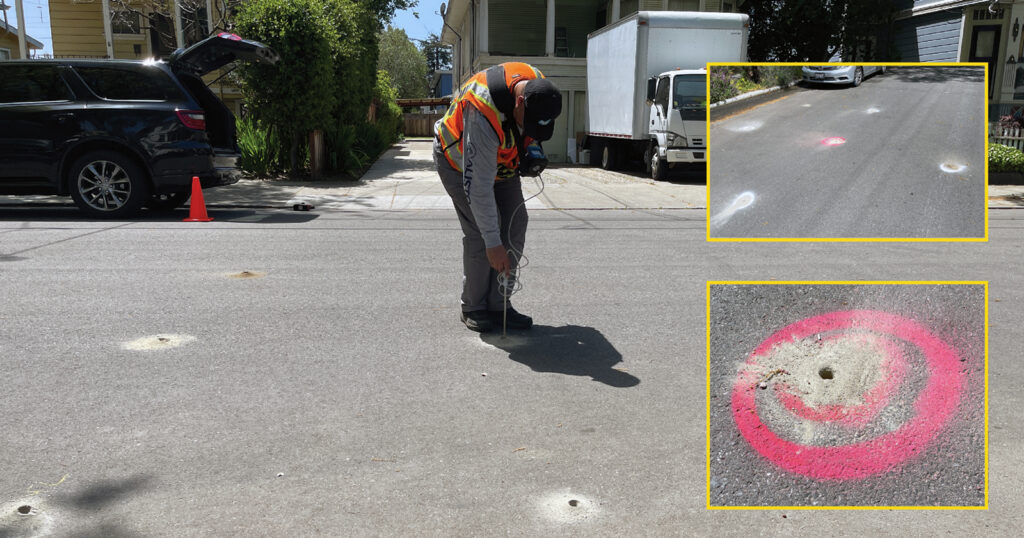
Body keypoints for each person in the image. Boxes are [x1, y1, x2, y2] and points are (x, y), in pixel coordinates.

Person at [433, 62, 562, 333]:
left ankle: (499, 304)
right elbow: (478, 187)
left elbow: (529, 129)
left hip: (501, 165)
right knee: (483, 234)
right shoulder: (482, 109)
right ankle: (473, 307)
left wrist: (529, 145)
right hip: (458, 163)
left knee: (515, 224)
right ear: (518, 102)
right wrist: (494, 243)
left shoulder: (539, 88)